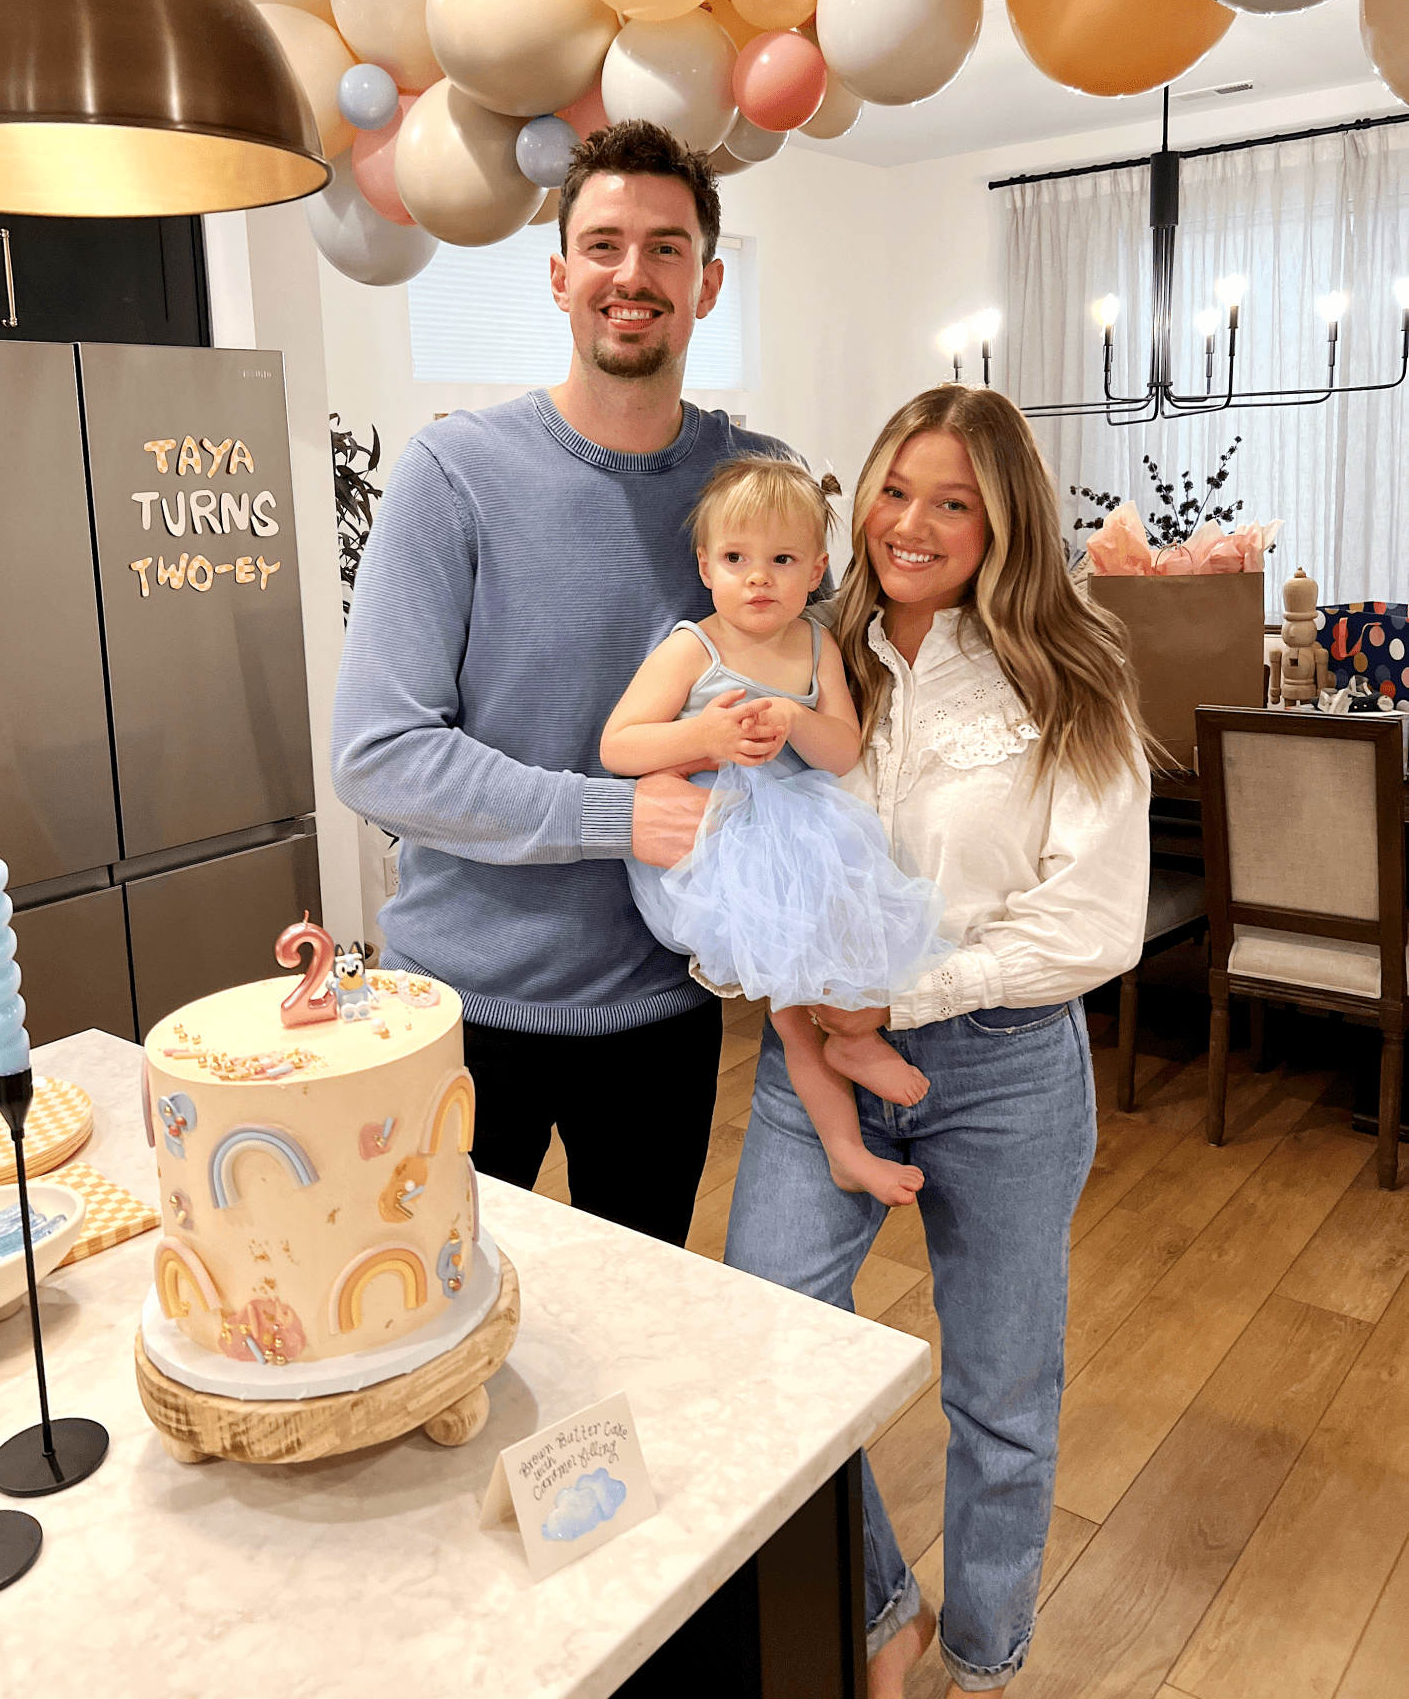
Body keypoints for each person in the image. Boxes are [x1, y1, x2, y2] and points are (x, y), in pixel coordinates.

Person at [723, 386, 1151, 1696]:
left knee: (1004, 1401)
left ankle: (982, 1661)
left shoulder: (1069, 671)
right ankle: (883, 1613)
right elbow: (748, 829)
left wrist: (900, 1000)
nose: (911, 524)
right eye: (894, 491)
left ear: (1000, 518)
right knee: (770, 1332)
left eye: (951, 501)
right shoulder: (803, 642)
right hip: (815, 1065)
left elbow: (1093, 920)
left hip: (1008, 1070)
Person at [331, 120, 805, 1248]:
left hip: (666, 1007)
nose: (631, 275)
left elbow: (807, 718)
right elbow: (377, 751)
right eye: (602, 245)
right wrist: (612, 813)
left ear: (709, 281)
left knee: (632, 1337)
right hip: (460, 1010)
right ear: (558, 276)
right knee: (434, 1321)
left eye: (665, 248)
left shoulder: (760, 487)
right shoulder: (454, 474)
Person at [600, 454, 946, 1207]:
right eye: (736, 560)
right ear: (706, 566)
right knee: (792, 1015)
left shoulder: (817, 646)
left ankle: (855, 1042)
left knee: (852, 951)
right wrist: (707, 739)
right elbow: (619, 746)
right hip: (721, 843)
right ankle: (846, 1144)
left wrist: (794, 716)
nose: (758, 579)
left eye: (782, 561)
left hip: (806, 834)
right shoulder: (696, 646)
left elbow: (843, 749)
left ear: (817, 569)